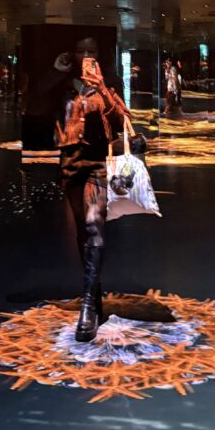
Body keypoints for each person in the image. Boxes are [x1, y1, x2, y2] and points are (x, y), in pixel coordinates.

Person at [41, 37, 130, 342]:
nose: (87, 56)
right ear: (73, 54)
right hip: (69, 163)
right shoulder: (63, 84)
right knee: (83, 232)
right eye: (81, 51)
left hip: (97, 164)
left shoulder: (109, 84)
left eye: (93, 51)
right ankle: (96, 292)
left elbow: (121, 121)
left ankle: (89, 307)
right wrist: (56, 71)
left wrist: (103, 87)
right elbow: (34, 105)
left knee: (94, 229)